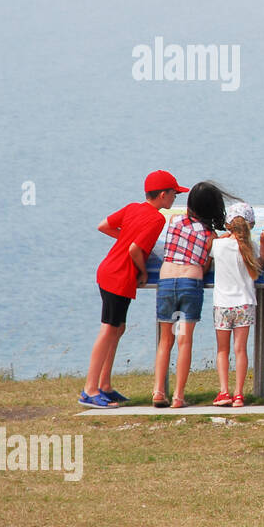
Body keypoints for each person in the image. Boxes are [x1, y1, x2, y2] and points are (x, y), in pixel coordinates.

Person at [82, 171, 181, 407]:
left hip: (108, 271)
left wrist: (123, 238)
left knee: (118, 328)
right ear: (164, 195)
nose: (175, 198)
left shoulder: (132, 208)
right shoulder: (157, 220)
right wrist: (144, 272)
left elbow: (103, 226)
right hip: (120, 276)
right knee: (108, 330)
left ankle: (104, 385)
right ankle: (90, 389)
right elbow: (135, 249)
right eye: (174, 194)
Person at [151, 181, 233, 408]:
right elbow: (205, 266)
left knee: (165, 340)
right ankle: (178, 396)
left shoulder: (174, 221)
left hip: (166, 281)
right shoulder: (210, 235)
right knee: (184, 340)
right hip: (190, 282)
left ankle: (159, 391)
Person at [210, 202, 264, 408]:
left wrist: (220, 238)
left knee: (222, 350)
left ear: (228, 225)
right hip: (245, 303)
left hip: (222, 304)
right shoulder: (249, 246)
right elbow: (260, 265)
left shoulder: (218, 245)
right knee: (240, 350)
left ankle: (224, 391)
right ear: (249, 225)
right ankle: (238, 395)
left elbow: (210, 257)